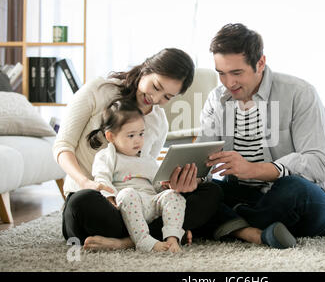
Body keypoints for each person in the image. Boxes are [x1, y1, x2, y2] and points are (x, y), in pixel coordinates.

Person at [53, 48, 222, 250]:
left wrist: (174, 186)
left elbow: (145, 172)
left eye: (167, 97)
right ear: (146, 68)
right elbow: (62, 146)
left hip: (136, 206)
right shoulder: (98, 91)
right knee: (81, 202)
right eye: (156, 86)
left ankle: (127, 242)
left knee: (211, 191)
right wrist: (85, 182)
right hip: (99, 202)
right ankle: (165, 233)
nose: (156, 98)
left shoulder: (159, 122)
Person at [196, 23, 325, 249]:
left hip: (300, 199)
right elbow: (202, 158)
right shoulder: (217, 99)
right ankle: (254, 233)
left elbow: (318, 164)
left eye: (237, 73)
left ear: (260, 63)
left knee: (293, 189)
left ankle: (227, 222)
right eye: (221, 74)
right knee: (195, 193)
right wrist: (190, 176)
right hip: (244, 194)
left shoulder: (300, 93)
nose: (229, 83)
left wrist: (254, 170)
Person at [88, 99, 187, 253]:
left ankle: (172, 239)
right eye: (131, 135)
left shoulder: (147, 159)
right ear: (111, 136)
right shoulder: (108, 156)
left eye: (141, 134)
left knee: (174, 195)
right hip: (128, 204)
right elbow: (102, 178)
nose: (138, 140)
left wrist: (164, 186)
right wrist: (109, 197)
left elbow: (156, 184)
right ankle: (144, 241)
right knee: (128, 194)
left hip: (151, 204)